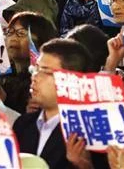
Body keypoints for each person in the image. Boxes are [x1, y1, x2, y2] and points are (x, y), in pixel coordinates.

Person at [14, 38, 92, 168]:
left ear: (70, 79)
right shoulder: (23, 124)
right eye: (35, 69)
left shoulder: (87, 132)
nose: (35, 77)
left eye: (45, 71)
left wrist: (84, 166)